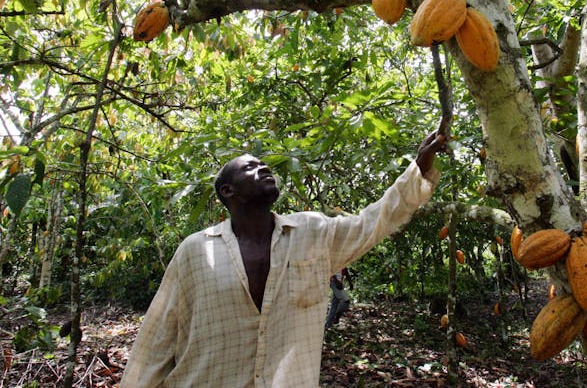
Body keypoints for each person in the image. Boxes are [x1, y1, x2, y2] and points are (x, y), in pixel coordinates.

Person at [121, 131, 446, 387]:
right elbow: (156, 341)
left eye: (264, 165)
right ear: (226, 192)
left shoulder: (313, 232)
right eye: (249, 167)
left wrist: (418, 169)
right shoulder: (195, 251)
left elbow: (372, 223)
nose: (263, 167)